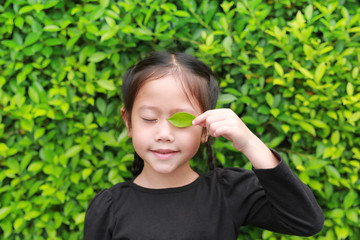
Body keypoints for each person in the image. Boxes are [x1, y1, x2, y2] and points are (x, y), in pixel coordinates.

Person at [84, 52, 324, 239]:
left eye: (181, 121)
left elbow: (305, 220)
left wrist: (250, 142)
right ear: (128, 122)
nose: (164, 134)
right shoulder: (109, 208)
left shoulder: (228, 193)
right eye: (149, 119)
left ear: (205, 128)